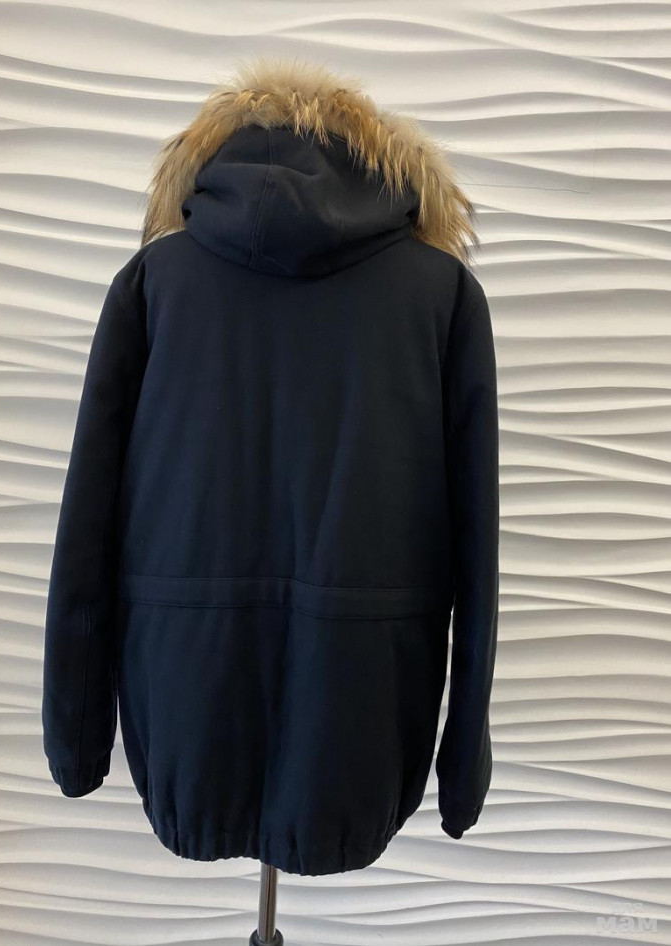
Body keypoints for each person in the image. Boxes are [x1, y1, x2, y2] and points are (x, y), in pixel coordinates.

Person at [42, 55, 500, 876]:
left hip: (185, 701)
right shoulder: (442, 294)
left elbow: (86, 529)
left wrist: (76, 737)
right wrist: (461, 771)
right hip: (360, 715)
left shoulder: (155, 282)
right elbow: (478, 550)